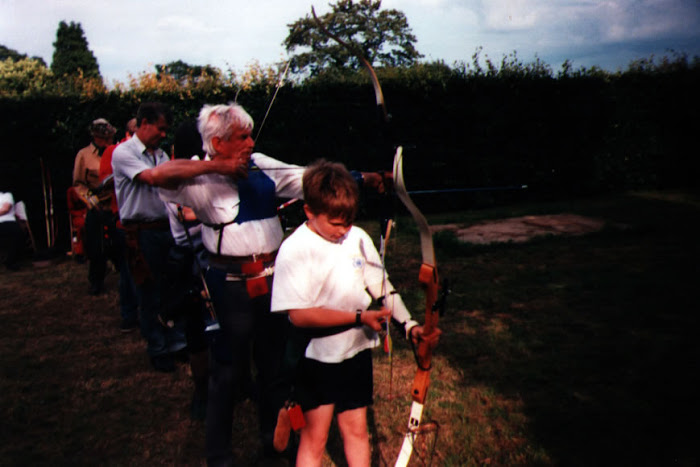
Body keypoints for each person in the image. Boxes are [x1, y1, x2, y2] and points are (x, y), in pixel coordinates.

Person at [157, 102, 388, 466]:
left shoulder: (259, 163)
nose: (251, 143)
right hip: (231, 285)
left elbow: (308, 179)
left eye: (250, 135)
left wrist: (364, 177)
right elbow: (158, 175)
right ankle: (219, 456)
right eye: (241, 137)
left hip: (272, 279)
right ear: (217, 143)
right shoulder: (199, 177)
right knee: (228, 371)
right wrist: (218, 168)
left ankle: (274, 444)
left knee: (274, 366)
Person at [270, 160, 440, 467]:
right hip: (316, 358)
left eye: (349, 221)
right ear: (309, 211)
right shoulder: (295, 249)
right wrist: (359, 318)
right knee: (314, 439)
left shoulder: (357, 237)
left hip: (355, 353)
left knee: (357, 432)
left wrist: (409, 325)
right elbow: (299, 316)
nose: (344, 230)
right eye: (336, 223)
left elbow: (383, 289)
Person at [100, 118, 140, 333]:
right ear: (127, 135)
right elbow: (104, 182)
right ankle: (129, 315)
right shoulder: (113, 152)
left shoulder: (152, 152)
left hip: (145, 221)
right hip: (122, 219)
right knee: (127, 269)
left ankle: (144, 313)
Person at [72, 118, 117, 295]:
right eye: (106, 138)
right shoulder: (83, 155)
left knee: (119, 244)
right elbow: (78, 184)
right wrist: (91, 202)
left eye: (110, 137)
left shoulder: (117, 152)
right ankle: (96, 281)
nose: (109, 141)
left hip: (115, 205)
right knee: (95, 247)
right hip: (96, 206)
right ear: (96, 137)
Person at [0, 191, 24, 271]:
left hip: (8, 222)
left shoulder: (6, 195)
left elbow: (5, 209)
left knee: (15, 232)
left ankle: (10, 261)